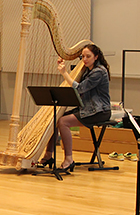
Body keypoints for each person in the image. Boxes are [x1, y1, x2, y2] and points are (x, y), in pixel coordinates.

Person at [39, 43, 112, 172]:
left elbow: (80, 88)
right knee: (56, 118)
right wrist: (63, 63)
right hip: (88, 108)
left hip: (99, 111)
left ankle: (69, 159)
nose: (84, 59)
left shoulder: (99, 72)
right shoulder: (88, 70)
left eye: (88, 56)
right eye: (82, 56)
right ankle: (48, 155)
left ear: (96, 57)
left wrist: (64, 73)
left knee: (63, 122)